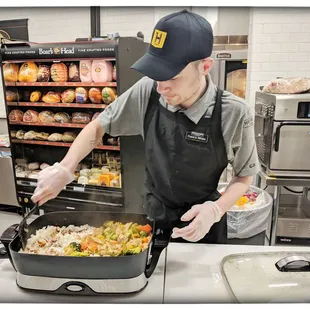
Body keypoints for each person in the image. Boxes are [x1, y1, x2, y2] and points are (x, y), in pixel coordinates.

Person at [31, 9, 260, 244]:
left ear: (204, 66)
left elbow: (244, 177)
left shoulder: (233, 112)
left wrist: (216, 209)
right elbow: (99, 126)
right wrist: (65, 168)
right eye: (157, 74)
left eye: (172, 77)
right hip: (154, 214)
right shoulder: (148, 91)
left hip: (204, 222)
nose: (161, 87)